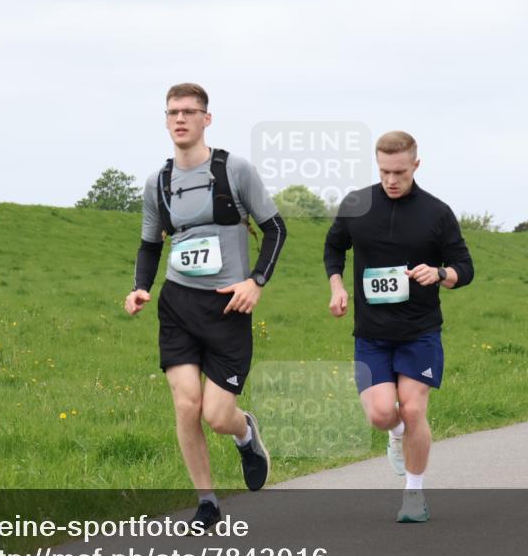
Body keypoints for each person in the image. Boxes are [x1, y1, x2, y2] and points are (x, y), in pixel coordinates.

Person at [124, 83, 287, 532]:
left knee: (216, 415)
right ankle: (208, 501)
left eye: (189, 112)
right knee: (185, 404)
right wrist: (141, 286)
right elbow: (148, 243)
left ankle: (244, 432)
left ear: (206, 119)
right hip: (177, 305)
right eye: (173, 112)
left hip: (227, 308)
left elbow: (275, 229)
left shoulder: (235, 170)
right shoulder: (158, 182)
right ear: (166, 119)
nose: (180, 119)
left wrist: (256, 283)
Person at [323, 130, 474, 522]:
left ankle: (414, 494)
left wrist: (439, 273)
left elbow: (465, 268)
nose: (392, 180)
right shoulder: (357, 204)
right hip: (371, 334)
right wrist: (337, 285)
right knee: (381, 415)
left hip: (419, 332)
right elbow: (334, 247)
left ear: (416, 166)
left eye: (400, 172)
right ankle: (394, 436)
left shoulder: (437, 213)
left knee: (412, 408)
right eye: (385, 171)